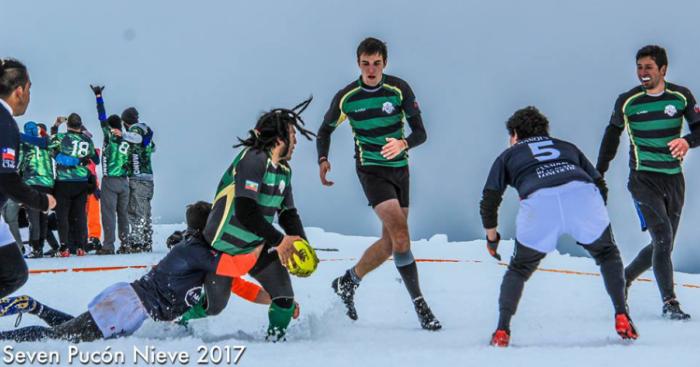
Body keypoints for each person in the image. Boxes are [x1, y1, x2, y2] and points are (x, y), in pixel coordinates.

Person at [0, 201, 287, 342]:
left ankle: (34, 306)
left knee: (77, 332)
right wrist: (266, 240)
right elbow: (239, 266)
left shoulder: (206, 257)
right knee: (61, 339)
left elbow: (239, 285)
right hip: (129, 306)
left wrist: (277, 300)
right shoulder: (195, 251)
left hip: (133, 308)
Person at [481, 106, 637, 347]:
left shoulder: (507, 156)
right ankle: (621, 315)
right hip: (581, 192)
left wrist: (492, 239)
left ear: (514, 134)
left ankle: (502, 331)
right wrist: (590, 219)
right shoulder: (567, 146)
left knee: (520, 269)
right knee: (607, 253)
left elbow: (489, 201)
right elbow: (599, 183)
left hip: (538, 200)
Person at [316, 37, 439, 330]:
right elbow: (325, 130)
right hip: (371, 171)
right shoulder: (348, 97)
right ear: (358, 63)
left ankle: (348, 281)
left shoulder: (399, 89)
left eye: (376, 64)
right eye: (365, 64)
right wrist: (323, 159)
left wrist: (404, 143)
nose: (371, 70)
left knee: (390, 244)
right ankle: (421, 307)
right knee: (401, 235)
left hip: (400, 170)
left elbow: (421, 133)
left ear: (385, 63)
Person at [596, 45, 700, 320]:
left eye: (648, 68)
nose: (642, 73)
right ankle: (670, 302)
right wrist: (599, 172)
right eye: (639, 67)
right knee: (662, 239)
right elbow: (611, 136)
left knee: (662, 244)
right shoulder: (628, 101)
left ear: (663, 69)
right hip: (642, 179)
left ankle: (625, 277)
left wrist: (686, 141)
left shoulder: (681, 96)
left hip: (673, 180)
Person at [202, 98, 315, 341]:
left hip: (254, 247)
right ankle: (178, 326)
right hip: (221, 248)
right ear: (279, 138)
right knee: (215, 306)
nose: (296, 141)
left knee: (284, 299)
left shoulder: (284, 171)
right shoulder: (254, 157)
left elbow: (288, 214)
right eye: (293, 135)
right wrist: (280, 240)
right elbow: (245, 211)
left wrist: (301, 245)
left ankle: (275, 346)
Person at [0, 58, 55, 298]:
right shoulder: (4, 122)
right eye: (30, 89)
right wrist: (43, 201)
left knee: (14, 272)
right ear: (19, 91)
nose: (30, 96)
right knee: (13, 273)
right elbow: (6, 179)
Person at [89, 85, 133, 255]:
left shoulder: (109, 135)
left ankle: (108, 246)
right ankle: (126, 244)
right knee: (123, 214)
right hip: (124, 182)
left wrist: (98, 96)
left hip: (111, 180)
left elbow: (101, 116)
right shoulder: (127, 139)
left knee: (108, 214)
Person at [49, 114, 99, 256]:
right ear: (80, 125)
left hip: (63, 182)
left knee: (62, 216)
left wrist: (55, 125)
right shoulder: (87, 139)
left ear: (67, 125)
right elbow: (95, 159)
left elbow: (51, 144)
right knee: (80, 215)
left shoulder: (61, 137)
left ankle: (64, 247)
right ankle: (80, 246)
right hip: (81, 182)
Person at [121, 106, 155, 253]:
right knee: (145, 211)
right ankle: (146, 241)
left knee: (135, 211)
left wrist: (121, 135)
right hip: (148, 178)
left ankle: (137, 242)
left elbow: (137, 138)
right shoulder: (145, 130)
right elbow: (152, 147)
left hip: (138, 177)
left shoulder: (135, 130)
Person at [18, 122, 55, 258]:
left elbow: (19, 164)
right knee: (43, 217)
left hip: (32, 183)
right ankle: (41, 245)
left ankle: (36, 248)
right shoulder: (46, 143)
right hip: (47, 184)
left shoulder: (24, 145)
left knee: (33, 218)